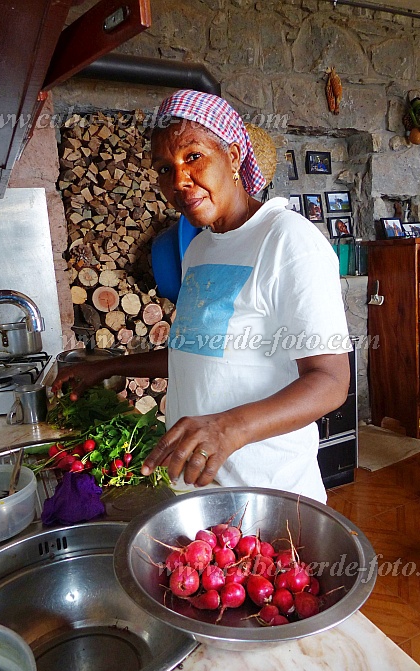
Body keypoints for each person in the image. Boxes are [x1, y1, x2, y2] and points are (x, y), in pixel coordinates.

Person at [52, 89, 350, 504]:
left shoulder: (288, 240)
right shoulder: (200, 248)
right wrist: (104, 368)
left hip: (268, 493)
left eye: (193, 157)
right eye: (163, 168)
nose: (178, 181)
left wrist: (229, 428)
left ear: (232, 156)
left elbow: (331, 381)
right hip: (196, 489)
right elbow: (194, 351)